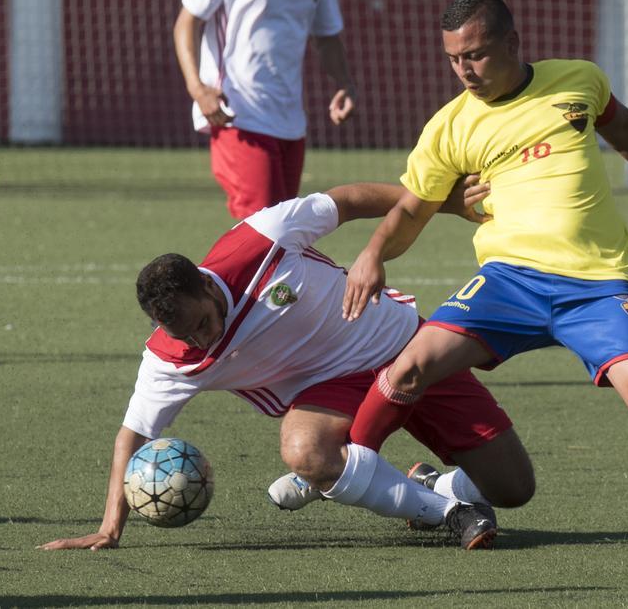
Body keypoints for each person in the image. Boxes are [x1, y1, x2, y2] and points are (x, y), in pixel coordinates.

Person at [340, 0, 628, 558]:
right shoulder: (449, 127)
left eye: (477, 54)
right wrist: (373, 253)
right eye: (453, 58)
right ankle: (342, 470)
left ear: (513, 44)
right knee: (411, 363)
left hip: (598, 284)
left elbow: (625, 130)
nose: (465, 70)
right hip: (510, 280)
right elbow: (411, 210)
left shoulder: (578, 81)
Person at [39, 181, 536, 552]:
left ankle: (426, 484)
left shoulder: (262, 239)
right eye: (183, 334)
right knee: (306, 451)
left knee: (514, 489)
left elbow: (349, 201)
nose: (198, 339)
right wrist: (110, 527)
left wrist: (441, 203)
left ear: (210, 287)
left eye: (202, 324)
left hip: (404, 345)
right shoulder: (172, 358)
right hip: (332, 389)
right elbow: (133, 436)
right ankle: (448, 512)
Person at [173, 0, 357, 219]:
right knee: (261, 232)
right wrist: (198, 89)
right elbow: (187, 21)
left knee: (283, 234)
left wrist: (345, 84)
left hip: (291, 122)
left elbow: (327, 37)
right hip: (238, 115)